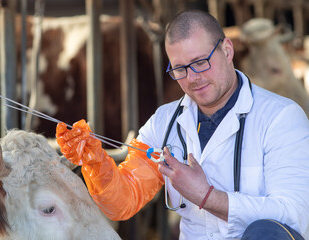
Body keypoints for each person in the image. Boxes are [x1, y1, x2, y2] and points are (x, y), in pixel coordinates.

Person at [56, 10, 309, 239]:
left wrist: (207, 196)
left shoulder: (282, 118)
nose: (193, 78)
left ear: (227, 50)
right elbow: (123, 201)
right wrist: (95, 162)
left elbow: (294, 215)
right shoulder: (164, 122)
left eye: (200, 62)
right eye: (179, 69)